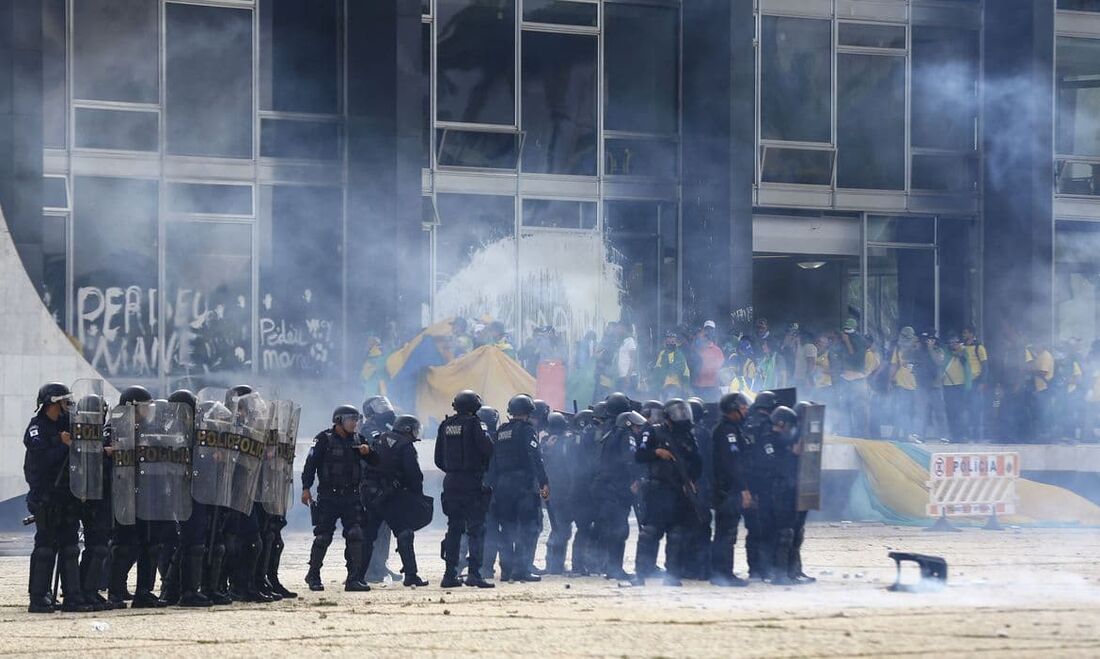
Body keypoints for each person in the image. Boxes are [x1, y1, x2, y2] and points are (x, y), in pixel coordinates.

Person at [25, 382, 93, 613]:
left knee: (70, 547)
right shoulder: (37, 428)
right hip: (46, 496)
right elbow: (41, 462)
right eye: (64, 401)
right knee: (45, 547)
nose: (68, 405)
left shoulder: (68, 425)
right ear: (52, 403)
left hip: (67, 495)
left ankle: (73, 596)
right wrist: (62, 445)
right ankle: (38, 596)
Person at [301, 405, 376, 592]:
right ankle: (313, 574)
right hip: (328, 496)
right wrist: (306, 488)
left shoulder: (359, 440)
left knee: (356, 534)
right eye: (350, 418)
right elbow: (310, 464)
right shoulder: (323, 439)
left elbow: (376, 462)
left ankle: (354, 578)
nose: (354, 422)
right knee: (323, 536)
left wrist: (369, 452)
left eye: (356, 419)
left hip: (352, 496)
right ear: (338, 420)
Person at [633, 401, 701, 587]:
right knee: (650, 533)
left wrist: (692, 481)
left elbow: (697, 462)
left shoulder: (688, 435)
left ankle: (672, 575)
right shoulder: (653, 431)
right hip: (658, 490)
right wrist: (656, 452)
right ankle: (641, 573)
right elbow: (639, 455)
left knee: (677, 534)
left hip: (679, 491)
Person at [359, 414, 430, 587]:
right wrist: (416, 495)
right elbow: (414, 475)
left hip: (372, 494)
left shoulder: (382, 438)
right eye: (414, 429)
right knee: (404, 533)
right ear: (407, 429)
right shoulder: (405, 446)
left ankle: (357, 575)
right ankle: (411, 575)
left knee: (368, 536)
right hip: (390, 496)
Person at [435, 390, 495, 588]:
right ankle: (474, 574)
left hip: (451, 481)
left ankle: (449, 575)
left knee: (454, 528)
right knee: (477, 529)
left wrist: (453, 470)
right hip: (471, 481)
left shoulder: (445, 425)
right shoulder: (476, 424)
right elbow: (488, 449)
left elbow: (438, 458)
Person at [487, 395, 549, 582]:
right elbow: (534, 457)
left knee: (506, 528)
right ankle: (522, 569)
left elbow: (494, 461)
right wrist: (543, 481)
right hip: (523, 485)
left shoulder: (500, 431)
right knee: (528, 528)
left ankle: (506, 570)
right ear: (528, 412)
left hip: (502, 486)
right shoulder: (527, 430)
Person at [593, 410, 645, 581]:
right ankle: (615, 569)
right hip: (617, 490)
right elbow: (629, 458)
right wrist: (636, 479)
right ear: (629, 425)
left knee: (611, 530)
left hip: (605, 489)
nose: (638, 431)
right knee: (620, 531)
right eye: (637, 427)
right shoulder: (626, 435)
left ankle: (610, 568)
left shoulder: (609, 435)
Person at [767, 406, 814, 585]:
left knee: (794, 532)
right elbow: (774, 466)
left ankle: (792, 571)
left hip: (789, 490)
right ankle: (780, 574)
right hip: (778, 491)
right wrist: (791, 454)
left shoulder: (784, 440)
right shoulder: (770, 439)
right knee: (784, 533)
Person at [710, 392, 751, 587]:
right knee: (726, 533)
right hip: (728, 489)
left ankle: (722, 572)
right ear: (733, 408)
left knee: (726, 532)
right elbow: (733, 463)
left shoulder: (732, 429)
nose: (745, 411)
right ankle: (723, 574)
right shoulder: (728, 431)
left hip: (727, 489)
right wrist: (743, 488)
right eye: (743, 408)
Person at [740, 391, 779, 580]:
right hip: (764, 485)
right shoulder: (766, 426)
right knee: (766, 528)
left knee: (753, 529)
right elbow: (769, 456)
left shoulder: (745, 424)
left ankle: (755, 569)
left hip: (747, 484)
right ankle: (764, 569)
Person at [541, 412, 577, 575]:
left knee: (560, 528)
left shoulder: (545, 442)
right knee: (561, 529)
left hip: (553, 490)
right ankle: (554, 565)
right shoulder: (562, 442)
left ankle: (555, 564)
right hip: (561, 490)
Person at [942, 336, 974, 442]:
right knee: (950, 412)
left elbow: (965, 363)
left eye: (954, 342)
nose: (952, 344)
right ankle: (953, 435)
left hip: (960, 385)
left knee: (960, 412)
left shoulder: (964, 352)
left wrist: (959, 353)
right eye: (950, 342)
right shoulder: (945, 353)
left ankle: (962, 435)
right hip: (948, 385)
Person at [961, 326, 988, 440]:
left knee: (976, 409)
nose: (964, 335)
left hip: (976, 381)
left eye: (966, 333)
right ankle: (967, 433)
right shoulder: (962, 347)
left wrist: (983, 382)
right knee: (965, 409)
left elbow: (985, 366)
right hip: (964, 382)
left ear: (971, 334)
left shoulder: (979, 348)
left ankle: (977, 435)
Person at [652, 331, 691, 399]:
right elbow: (657, 368)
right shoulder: (662, 353)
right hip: (663, 387)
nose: (670, 341)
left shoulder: (680, 355)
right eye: (668, 339)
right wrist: (655, 384)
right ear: (666, 341)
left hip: (676, 386)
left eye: (672, 339)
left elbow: (685, 372)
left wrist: (686, 387)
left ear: (675, 342)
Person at [692, 322, 725, 402]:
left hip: (712, 386)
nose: (705, 338)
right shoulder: (696, 348)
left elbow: (721, 367)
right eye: (704, 336)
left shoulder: (717, 350)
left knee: (711, 408)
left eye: (707, 337)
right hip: (698, 385)